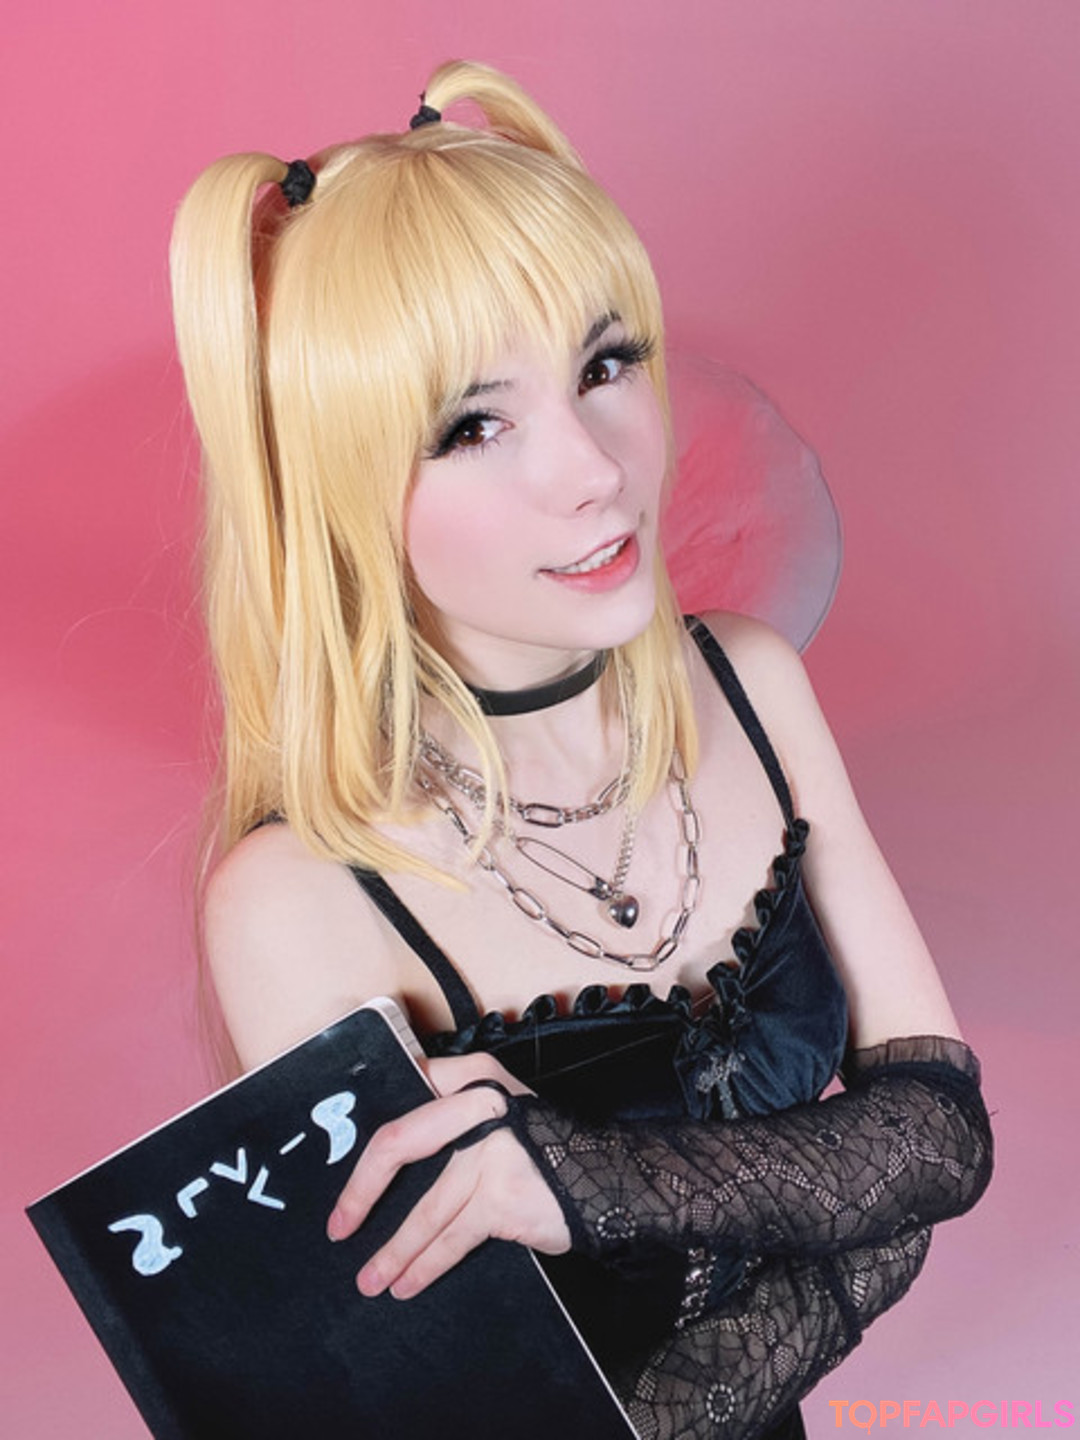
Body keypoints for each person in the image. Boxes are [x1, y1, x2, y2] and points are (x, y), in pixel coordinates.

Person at [170, 60, 992, 1440]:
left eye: (607, 365)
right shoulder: (300, 895)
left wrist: (582, 1180)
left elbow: (936, 1141)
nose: (597, 470)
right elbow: (457, 1391)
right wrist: (824, 1189)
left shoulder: (751, 685)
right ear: (335, 495)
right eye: (472, 426)